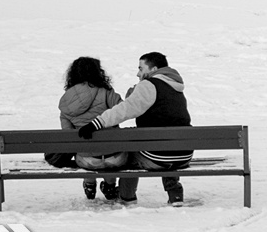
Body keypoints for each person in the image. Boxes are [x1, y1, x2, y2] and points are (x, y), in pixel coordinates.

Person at [78, 52, 192, 206]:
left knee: (128, 152)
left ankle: (127, 197)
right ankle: (175, 194)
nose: (138, 73)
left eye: (141, 68)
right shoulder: (176, 87)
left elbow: (126, 109)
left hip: (157, 157)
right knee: (166, 142)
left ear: (153, 69)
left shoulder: (150, 85)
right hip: (183, 155)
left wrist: (97, 123)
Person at [59, 57, 127, 201]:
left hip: (87, 160)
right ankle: (110, 184)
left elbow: (68, 135)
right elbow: (124, 110)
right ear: (98, 73)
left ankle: (89, 182)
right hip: (115, 158)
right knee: (112, 150)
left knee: (84, 149)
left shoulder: (66, 101)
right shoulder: (107, 92)